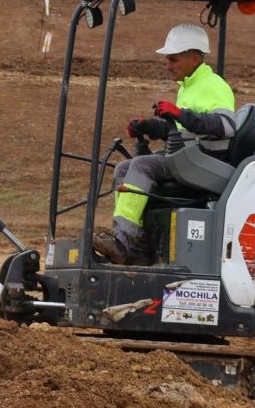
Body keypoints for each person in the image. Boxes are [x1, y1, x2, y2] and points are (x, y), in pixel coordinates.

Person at [92, 24, 237, 265]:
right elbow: (179, 130)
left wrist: (180, 114)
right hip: (190, 158)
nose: (168, 65)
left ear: (194, 57)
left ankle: (123, 242)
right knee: (123, 168)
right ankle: (136, 246)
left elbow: (225, 126)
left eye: (173, 59)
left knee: (142, 166)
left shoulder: (213, 84)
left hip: (206, 162)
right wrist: (149, 127)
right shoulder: (188, 87)